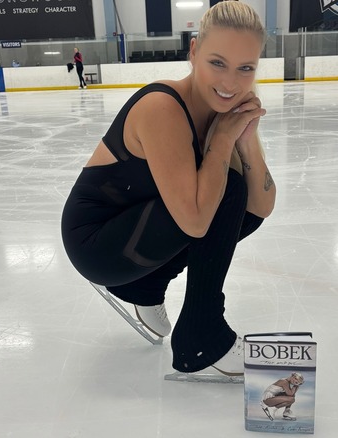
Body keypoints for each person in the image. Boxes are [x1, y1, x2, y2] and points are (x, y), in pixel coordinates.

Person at [61, 0, 275, 377]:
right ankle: (201, 336)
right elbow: (195, 221)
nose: (230, 83)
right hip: (96, 243)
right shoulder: (162, 106)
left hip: (137, 232)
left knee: (236, 197)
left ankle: (145, 287)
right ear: (193, 52)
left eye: (245, 68)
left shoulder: (225, 112)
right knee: (225, 191)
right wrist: (222, 139)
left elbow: (260, 207)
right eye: (217, 62)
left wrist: (244, 142)